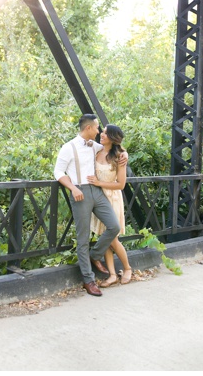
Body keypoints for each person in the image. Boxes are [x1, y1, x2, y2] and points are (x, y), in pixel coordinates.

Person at [54, 113, 127, 297]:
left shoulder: (96, 146)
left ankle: (94, 256)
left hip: (98, 191)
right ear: (88, 128)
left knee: (113, 226)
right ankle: (89, 280)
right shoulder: (68, 147)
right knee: (83, 237)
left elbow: (114, 148)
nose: (98, 131)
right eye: (96, 128)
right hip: (80, 192)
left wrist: (124, 154)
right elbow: (58, 171)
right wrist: (72, 187)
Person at [88, 124, 133, 287]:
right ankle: (112, 275)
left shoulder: (119, 156)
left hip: (111, 198)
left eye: (106, 133)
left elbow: (121, 184)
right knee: (105, 236)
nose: (102, 134)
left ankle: (127, 268)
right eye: (102, 132)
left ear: (113, 138)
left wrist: (99, 182)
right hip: (97, 198)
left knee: (112, 237)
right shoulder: (97, 151)